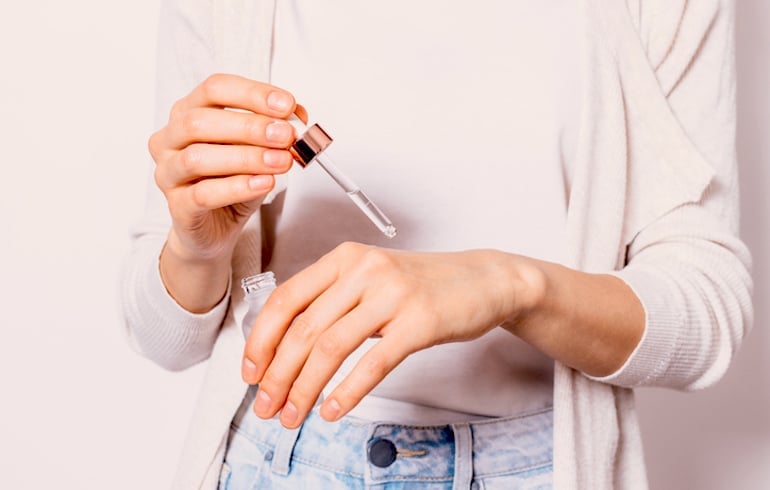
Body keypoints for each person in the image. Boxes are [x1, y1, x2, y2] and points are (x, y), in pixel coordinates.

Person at [120, 0, 753, 488]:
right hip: (277, 457)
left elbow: (707, 311)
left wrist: (512, 286)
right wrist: (197, 247)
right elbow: (163, 339)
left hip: (535, 467)